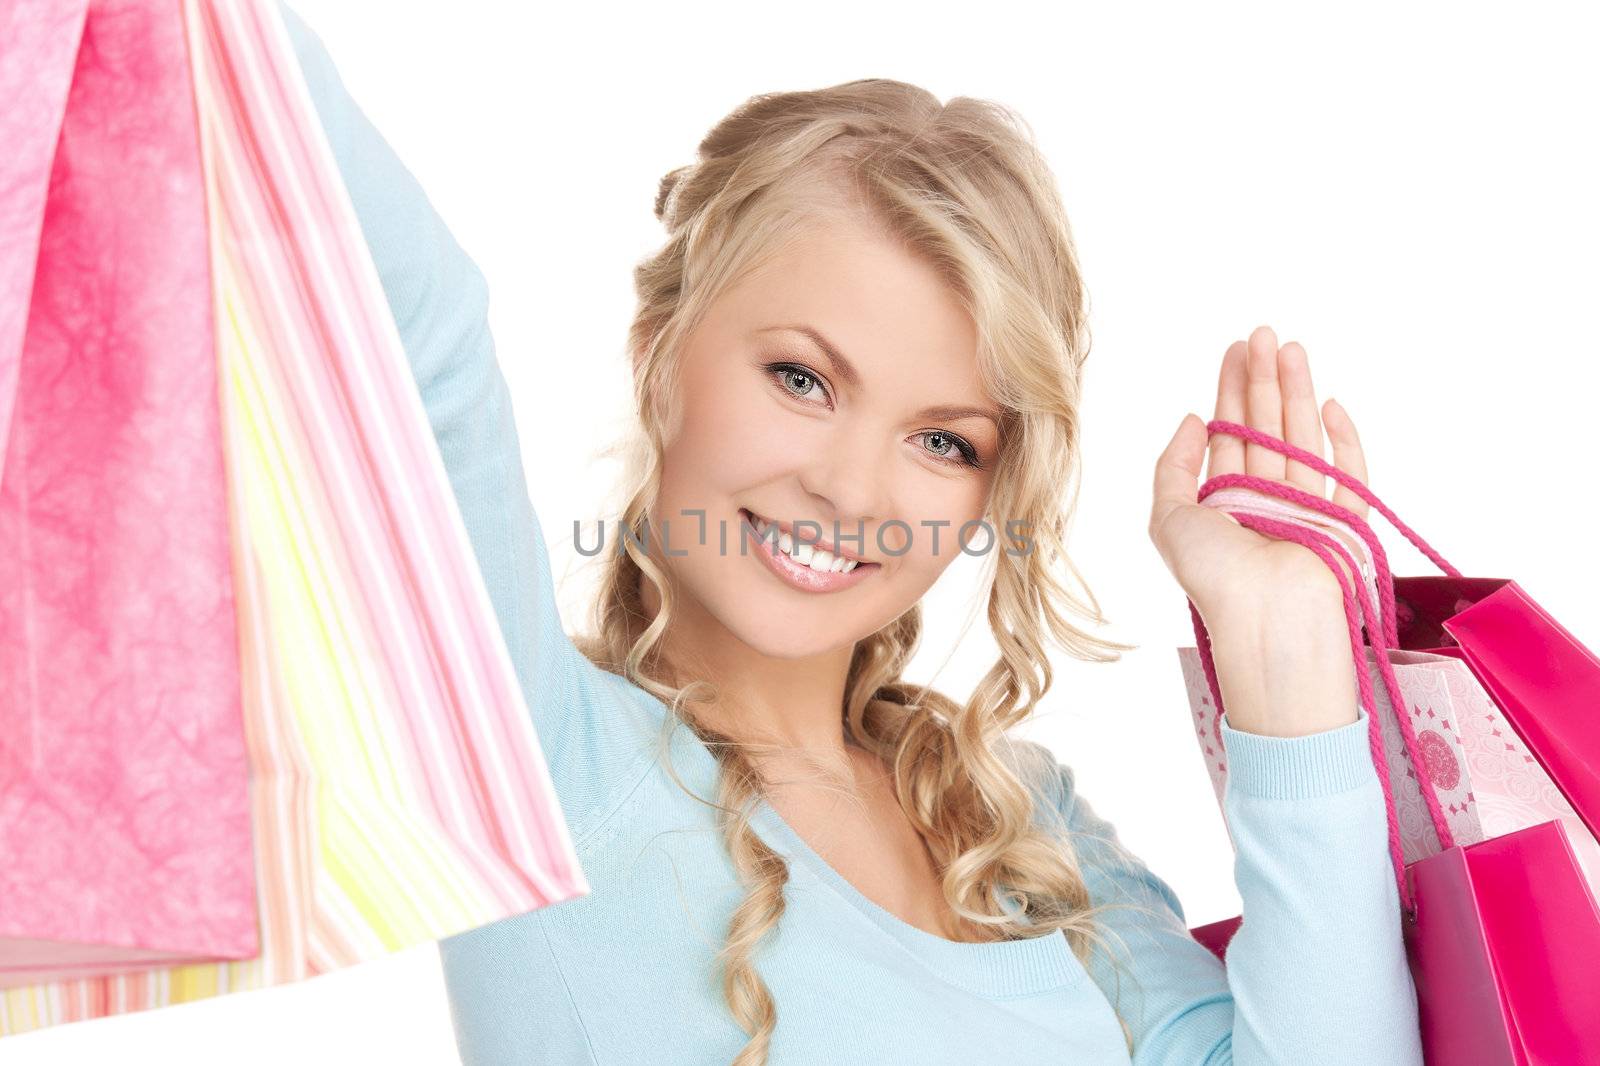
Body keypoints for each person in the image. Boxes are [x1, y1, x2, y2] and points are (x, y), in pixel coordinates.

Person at [281, 6, 1424, 1064]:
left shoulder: (1018, 822)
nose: (850, 490)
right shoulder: (536, 754)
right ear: (658, 349)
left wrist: (1287, 670)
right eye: (802, 378)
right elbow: (398, 312)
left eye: (943, 441)